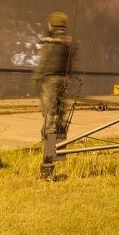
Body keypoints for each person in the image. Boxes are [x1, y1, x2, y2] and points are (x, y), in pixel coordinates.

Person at [34, 11, 74, 142]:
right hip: (64, 79)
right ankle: (61, 137)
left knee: (49, 111)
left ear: (52, 25)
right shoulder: (68, 42)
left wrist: (37, 78)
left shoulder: (50, 42)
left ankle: (48, 141)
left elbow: (44, 62)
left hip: (49, 79)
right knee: (61, 110)